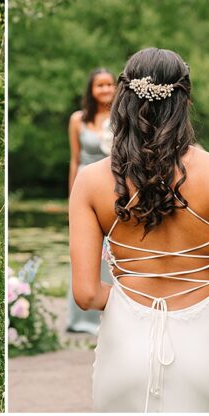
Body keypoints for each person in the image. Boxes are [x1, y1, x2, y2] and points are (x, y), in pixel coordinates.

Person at [70, 48, 209, 412]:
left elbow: (85, 294)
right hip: (206, 346)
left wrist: (134, 305)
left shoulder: (90, 181)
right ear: (185, 100)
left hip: (125, 345)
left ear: (123, 99)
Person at [66, 68, 116, 334]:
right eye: (100, 85)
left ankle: (107, 315)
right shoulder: (78, 119)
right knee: (84, 249)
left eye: (110, 85)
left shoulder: (120, 118)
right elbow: (74, 159)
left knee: (111, 249)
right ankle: (79, 319)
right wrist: (71, 197)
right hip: (84, 184)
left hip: (111, 186)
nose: (106, 89)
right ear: (92, 89)